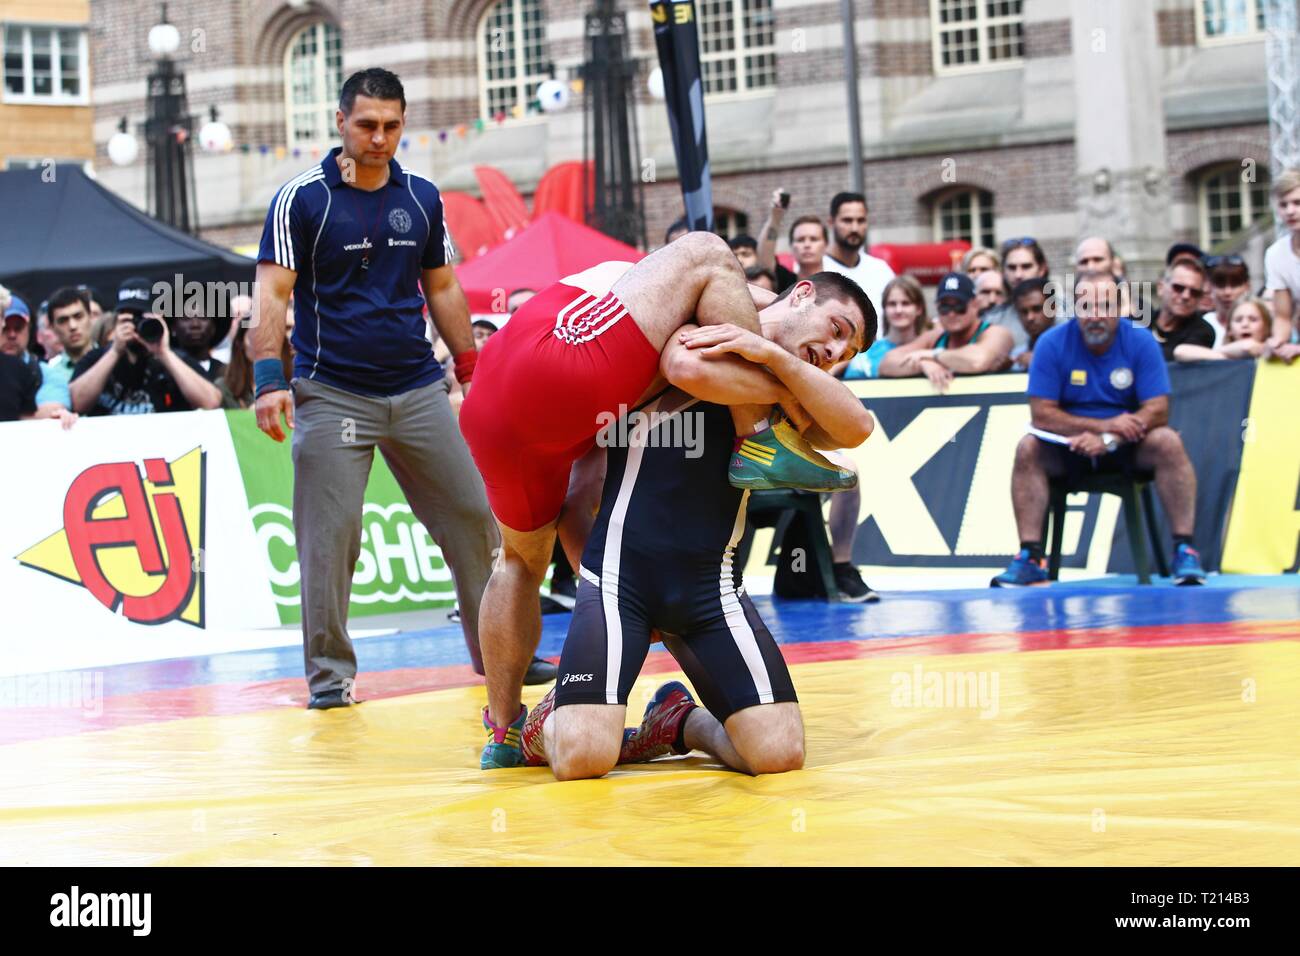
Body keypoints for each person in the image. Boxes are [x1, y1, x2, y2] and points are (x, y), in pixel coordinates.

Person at [462, 251, 875, 768]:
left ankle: (681, 723)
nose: (834, 351)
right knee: (582, 759)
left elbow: (856, 427)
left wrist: (777, 360)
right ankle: (533, 728)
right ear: (803, 294)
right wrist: (594, 581)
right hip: (622, 580)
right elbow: (684, 365)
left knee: (779, 754)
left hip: (709, 590)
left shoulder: (792, 387)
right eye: (836, 330)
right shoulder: (684, 325)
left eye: (845, 352)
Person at [253, 67, 506, 709]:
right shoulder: (302, 200)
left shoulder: (420, 196)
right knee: (330, 537)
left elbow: (444, 287)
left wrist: (472, 371)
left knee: (475, 517)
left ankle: (503, 653)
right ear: (340, 122)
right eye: (367, 125)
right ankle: (330, 678)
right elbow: (272, 296)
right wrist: (266, 380)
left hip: (417, 387)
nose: (380, 138)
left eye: (392, 125)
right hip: (331, 391)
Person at [992, 271, 1207, 588]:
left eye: (1105, 306)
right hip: (1068, 446)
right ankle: (1030, 556)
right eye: (1087, 307)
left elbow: (1158, 408)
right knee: (1028, 448)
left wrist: (1111, 438)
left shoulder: (1141, 340)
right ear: (1074, 308)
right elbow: (1041, 414)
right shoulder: (1052, 344)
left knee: (1168, 441)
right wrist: (1102, 426)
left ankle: (1184, 549)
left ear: (1121, 307)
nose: (1096, 316)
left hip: (1128, 444)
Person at [68, 278, 222, 416]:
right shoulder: (97, 358)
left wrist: (164, 352)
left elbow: (211, 402)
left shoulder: (177, 359)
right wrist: (115, 351)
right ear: (117, 320)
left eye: (141, 318)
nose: (135, 326)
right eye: (129, 318)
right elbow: (76, 404)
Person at [878, 271, 1013, 391]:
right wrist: (922, 363)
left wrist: (933, 355)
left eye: (959, 306)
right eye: (945, 307)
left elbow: (977, 360)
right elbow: (887, 363)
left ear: (975, 305)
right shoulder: (935, 337)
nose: (951, 314)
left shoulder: (996, 333)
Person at [821, 191, 895, 313]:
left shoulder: (881, 270)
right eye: (847, 220)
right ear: (831, 222)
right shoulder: (816, 269)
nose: (855, 228)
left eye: (861, 221)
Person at [843, 274, 928, 379]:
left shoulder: (932, 347)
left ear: (919, 309)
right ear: (884, 308)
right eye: (892, 304)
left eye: (906, 303)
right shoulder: (865, 356)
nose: (898, 310)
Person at [982, 237, 1049, 350]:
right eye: (1012, 268)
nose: (1018, 275)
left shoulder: (1065, 312)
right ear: (1003, 272)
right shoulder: (993, 319)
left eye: (1026, 267)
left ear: (1042, 269)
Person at [39, 286, 97, 413]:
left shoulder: (111, 359)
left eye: (78, 316)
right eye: (63, 320)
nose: (72, 326)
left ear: (91, 317)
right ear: (52, 327)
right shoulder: (48, 374)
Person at [221, 311, 294, 409]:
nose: (262, 344)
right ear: (241, 343)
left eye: (268, 337)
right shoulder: (225, 387)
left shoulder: (296, 382)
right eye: (255, 336)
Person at [1264, 168, 1300, 360]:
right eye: (1283, 205)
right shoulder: (1275, 254)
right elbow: (1283, 316)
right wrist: (1276, 342)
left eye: (1297, 203)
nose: (1290, 211)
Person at [1150, 259, 1215, 361]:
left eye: (1194, 292)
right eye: (1178, 288)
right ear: (1160, 288)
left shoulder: (1203, 331)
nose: (1186, 296)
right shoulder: (1141, 320)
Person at [1173, 297, 1273, 362]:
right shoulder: (1223, 354)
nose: (1245, 324)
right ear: (1229, 330)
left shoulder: (1275, 353)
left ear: (1266, 327)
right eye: (1238, 320)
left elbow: (1248, 347)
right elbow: (1180, 351)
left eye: (1253, 319)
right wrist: (1227, 356)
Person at [171, 296, 230, 383]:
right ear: (173, 327)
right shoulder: (162, 368)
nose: (195, 324)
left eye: (203, 317)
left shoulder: (227, 374)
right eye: (186, 318)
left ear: (214, 327)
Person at [754, 188, 799, 290]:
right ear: (791, 245)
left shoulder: (837, 273)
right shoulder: (788, 280)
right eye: (800, 239)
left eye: (813, 239)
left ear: (825, 243)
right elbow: (765, 262)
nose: (807, 244)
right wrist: (776, 217)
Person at [1203, 255, 1251, 347]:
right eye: (1221, 285)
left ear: (1247, 286)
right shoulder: (1202, 325)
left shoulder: (1261, 323)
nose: (1227, 292)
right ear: (1210, 287)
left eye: (1235, 285)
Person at [1009, 276, 1055, 369]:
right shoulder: (1016, 357)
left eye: (1037, 309)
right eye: (1023, 312)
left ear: (1052, 307)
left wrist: (1041, 361)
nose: (1030, 317)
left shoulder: (1075, 347)